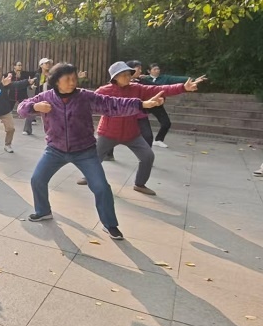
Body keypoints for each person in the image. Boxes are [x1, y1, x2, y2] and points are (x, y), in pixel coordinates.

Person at [17, 62, 165, 240]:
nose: (73, 82)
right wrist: (35, 107)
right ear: (56, 81)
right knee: (37, 179)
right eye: (68, 79)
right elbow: (21, 108)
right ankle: (43, 211)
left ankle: (110, 224)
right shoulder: (46, 97)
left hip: (84, 151)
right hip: (55, 150)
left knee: (101, 187)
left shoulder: (84, 96)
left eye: (74, 78)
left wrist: (143, 105)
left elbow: (112, 104)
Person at [76, 62, 205, 195]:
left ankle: (140, 184)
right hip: (108, 132)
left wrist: (183, 87)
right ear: (115, 77)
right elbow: (88, 102)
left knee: (148, 156)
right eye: (124, 75)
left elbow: (159, 89)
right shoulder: (104, 91)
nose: (128, 77)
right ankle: (88, 177)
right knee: (94, 157)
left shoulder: (137, 88)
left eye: (129, 74)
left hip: (132, 133)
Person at [137, 63, 207, 148]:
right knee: (138, 122)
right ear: (149, 71)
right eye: (154, 69)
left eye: (158, 69)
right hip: (145, 104)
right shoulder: (143, 79)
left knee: (166, 123)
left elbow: (177, 79)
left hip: (157, 105)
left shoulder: (165, 78)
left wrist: (194, 79)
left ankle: (158, 140)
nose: (157, 71)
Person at [103, 59, 152, 161]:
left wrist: (182, 87)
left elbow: (157, 89)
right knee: (109, 139)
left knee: (147, 136)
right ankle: (108, 154)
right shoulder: (108, 89)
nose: (139, 71)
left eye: (140, 69)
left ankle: (145, 156)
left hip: (139, 115)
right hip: (116, 121)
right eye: (137, 68)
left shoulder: (142, 83)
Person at [0, 65, 29, 153]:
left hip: (4, 111)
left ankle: (8, 145)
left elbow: (15, 84)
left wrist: (27, 82)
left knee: (11, 128)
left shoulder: (3, 81)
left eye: (0, 71)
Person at [22, 58, 53, 134]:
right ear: (41, 65)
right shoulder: (38, 75)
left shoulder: (52, 75)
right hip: (39, 95)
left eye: (48, 63)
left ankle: (53, 131)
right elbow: (33, 85)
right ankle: (27, 129)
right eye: (46, 63)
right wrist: (32, 86)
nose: (48, 65)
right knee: (31, 111)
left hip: (50, 96)